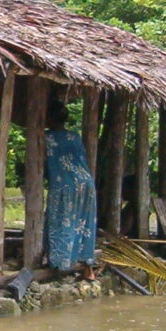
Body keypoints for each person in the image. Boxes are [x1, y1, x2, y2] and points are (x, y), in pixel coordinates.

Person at [43, 97, 98, 276]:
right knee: (83, 224)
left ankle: (61, 263)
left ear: (49, 118)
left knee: (61, 221)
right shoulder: (74, 136)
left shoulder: (47, 138)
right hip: (86, 183)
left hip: (64, 184)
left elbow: (42, 163)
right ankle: (87, 266)